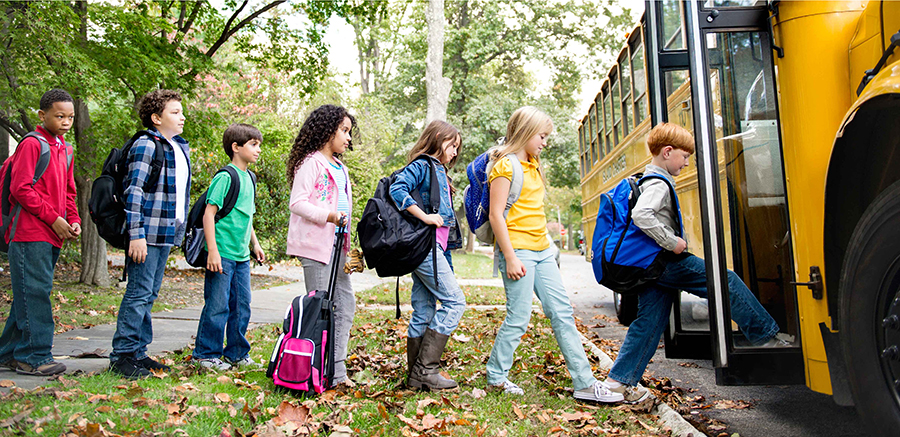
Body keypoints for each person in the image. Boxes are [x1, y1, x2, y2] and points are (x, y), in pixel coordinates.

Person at [600, 122, 790, 403]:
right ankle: (765, 336)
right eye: (684, 156)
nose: (687, 163)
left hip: (651, 266)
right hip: (664, 261)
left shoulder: (649, 179)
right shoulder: (657, 183)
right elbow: (642, 215)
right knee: (724, 280)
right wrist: (671, 241)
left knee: (649, 322)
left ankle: (618, 382)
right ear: (667, 152)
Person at [485, 106, 623, 403]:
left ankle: (584, 382)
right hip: (518, 250)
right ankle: (496, 377)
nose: (545, 142)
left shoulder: (534, 165)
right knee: (519, 317)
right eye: (542, 135)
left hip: (543, 251)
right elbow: (496, 215)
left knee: (562, 314)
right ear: (525, 132)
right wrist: (509, 257)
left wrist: (549, 242)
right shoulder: (505, 166)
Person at [109, 89, 191, 379]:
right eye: (174, 112)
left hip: (166, 233)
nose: (182, 117)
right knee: (138, 293)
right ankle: (122, 355)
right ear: (156, 118)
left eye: (181, 111)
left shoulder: (178, 147)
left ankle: (138, 352)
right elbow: (134, 190)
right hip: (147, 233)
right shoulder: (146, 144)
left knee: (149, 294)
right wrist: (136, 234)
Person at [0, 89, 81, 376]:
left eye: (70, 117)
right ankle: (34, 356)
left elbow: (70, 192)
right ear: (42, 115)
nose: (65, 122)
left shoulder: (66, 150)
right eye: (59, 116)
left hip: (53, 233)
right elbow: (20, 189)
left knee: (27, 294)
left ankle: (7, 354)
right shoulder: (32, 144)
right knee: (35, 295)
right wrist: (54, 218)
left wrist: (72, 220)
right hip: (28, 233)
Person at [389, 120, 466, 391]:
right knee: (455, 302)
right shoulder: (422, 165)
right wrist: (425, 216)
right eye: (452, 145)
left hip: (438, 249)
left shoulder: (439, 171)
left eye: (457, 148)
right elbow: (396, 189)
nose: (455, 152)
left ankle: (415, 377)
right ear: (437, 138)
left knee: (423, 310)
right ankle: (426, 369)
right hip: (425, 247)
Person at [286, 104, 356, 387]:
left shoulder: (341, 168)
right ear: (328, 130)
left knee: (345, 304)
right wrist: (328, 216)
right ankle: (312, 369)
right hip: (315, 247)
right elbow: (297, 203)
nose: (348, 138)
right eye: (344, 130)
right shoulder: (311, 162)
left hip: (338, 246)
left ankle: (336, 370)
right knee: (320, 309)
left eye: (349, 131)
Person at [192, 123, 266, 371]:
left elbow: (246, 215)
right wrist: (212, 250)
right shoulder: (226, 177)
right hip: (222, 252)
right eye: (253, 145)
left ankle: (236, 353)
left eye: (259, 145)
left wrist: (255, 244)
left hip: (242, 255)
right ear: (236, 147)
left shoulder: (250, 178)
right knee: (217, 305)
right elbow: (208, 214)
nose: (258, 150)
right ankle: (205, 354)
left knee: (241, 305)